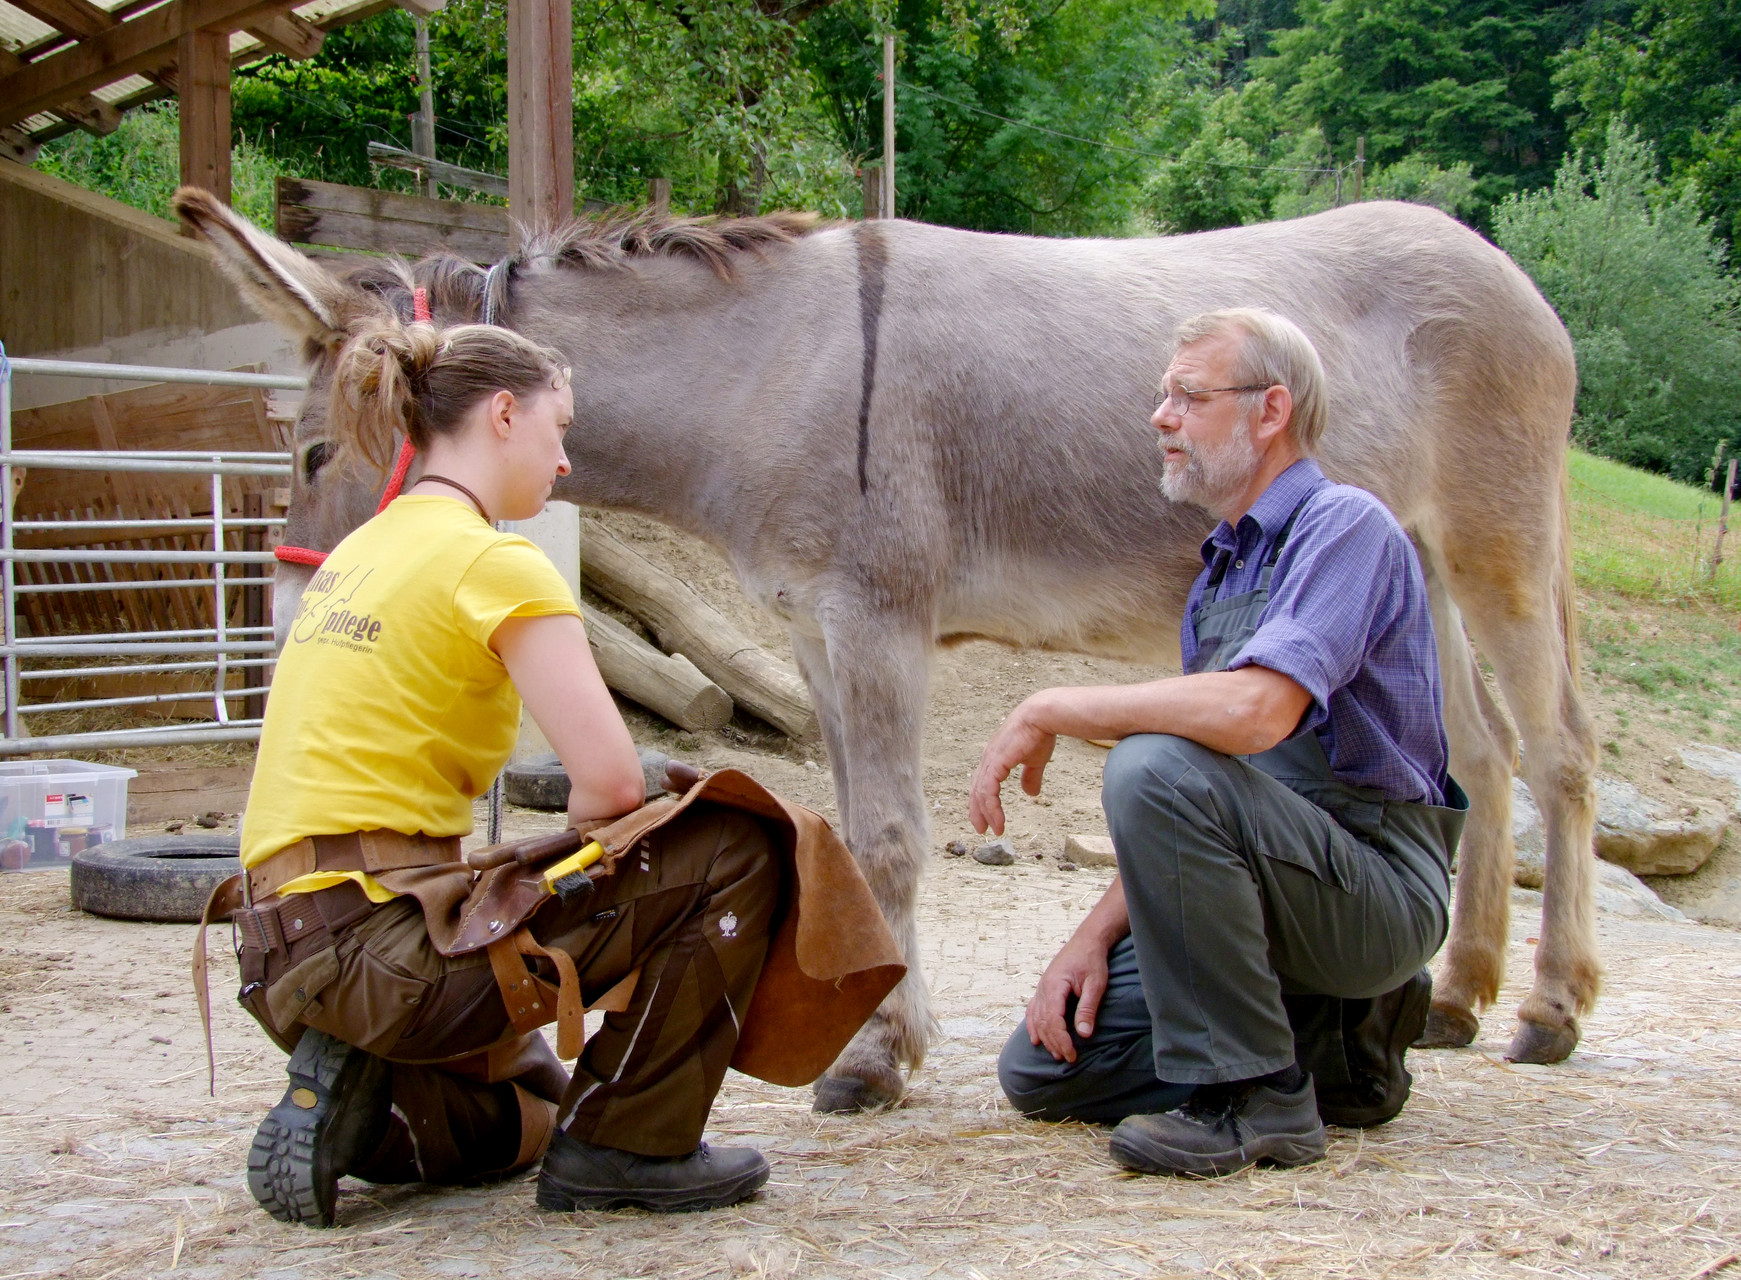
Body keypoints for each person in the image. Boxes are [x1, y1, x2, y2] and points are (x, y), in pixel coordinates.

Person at [229, 318, 785, 1224]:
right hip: (384, 946)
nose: (564, 461)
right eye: (556, 429)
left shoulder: (361, 551)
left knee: (525, 1111)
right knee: (736, 839)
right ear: (500, 414)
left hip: (283, 950)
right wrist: (604, 899)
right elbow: (609, 788)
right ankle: (626, 1147)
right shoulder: (493, 561)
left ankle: (359, 1095)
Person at [971, 309, 1467, 1178]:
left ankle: (1259, 1097)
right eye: (1163, 396)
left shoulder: (1345, 526)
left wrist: (1055, 703)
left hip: (1373, 884)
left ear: (1270, 411)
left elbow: (1254, 718)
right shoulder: (1222, 574)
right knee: (1045, 1071)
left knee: (1149, 762)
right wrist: (1088, 940)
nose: (1160, 417)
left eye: (1188, 396)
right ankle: (1333, 1050)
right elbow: (1209, 807)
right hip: (1273, 881)